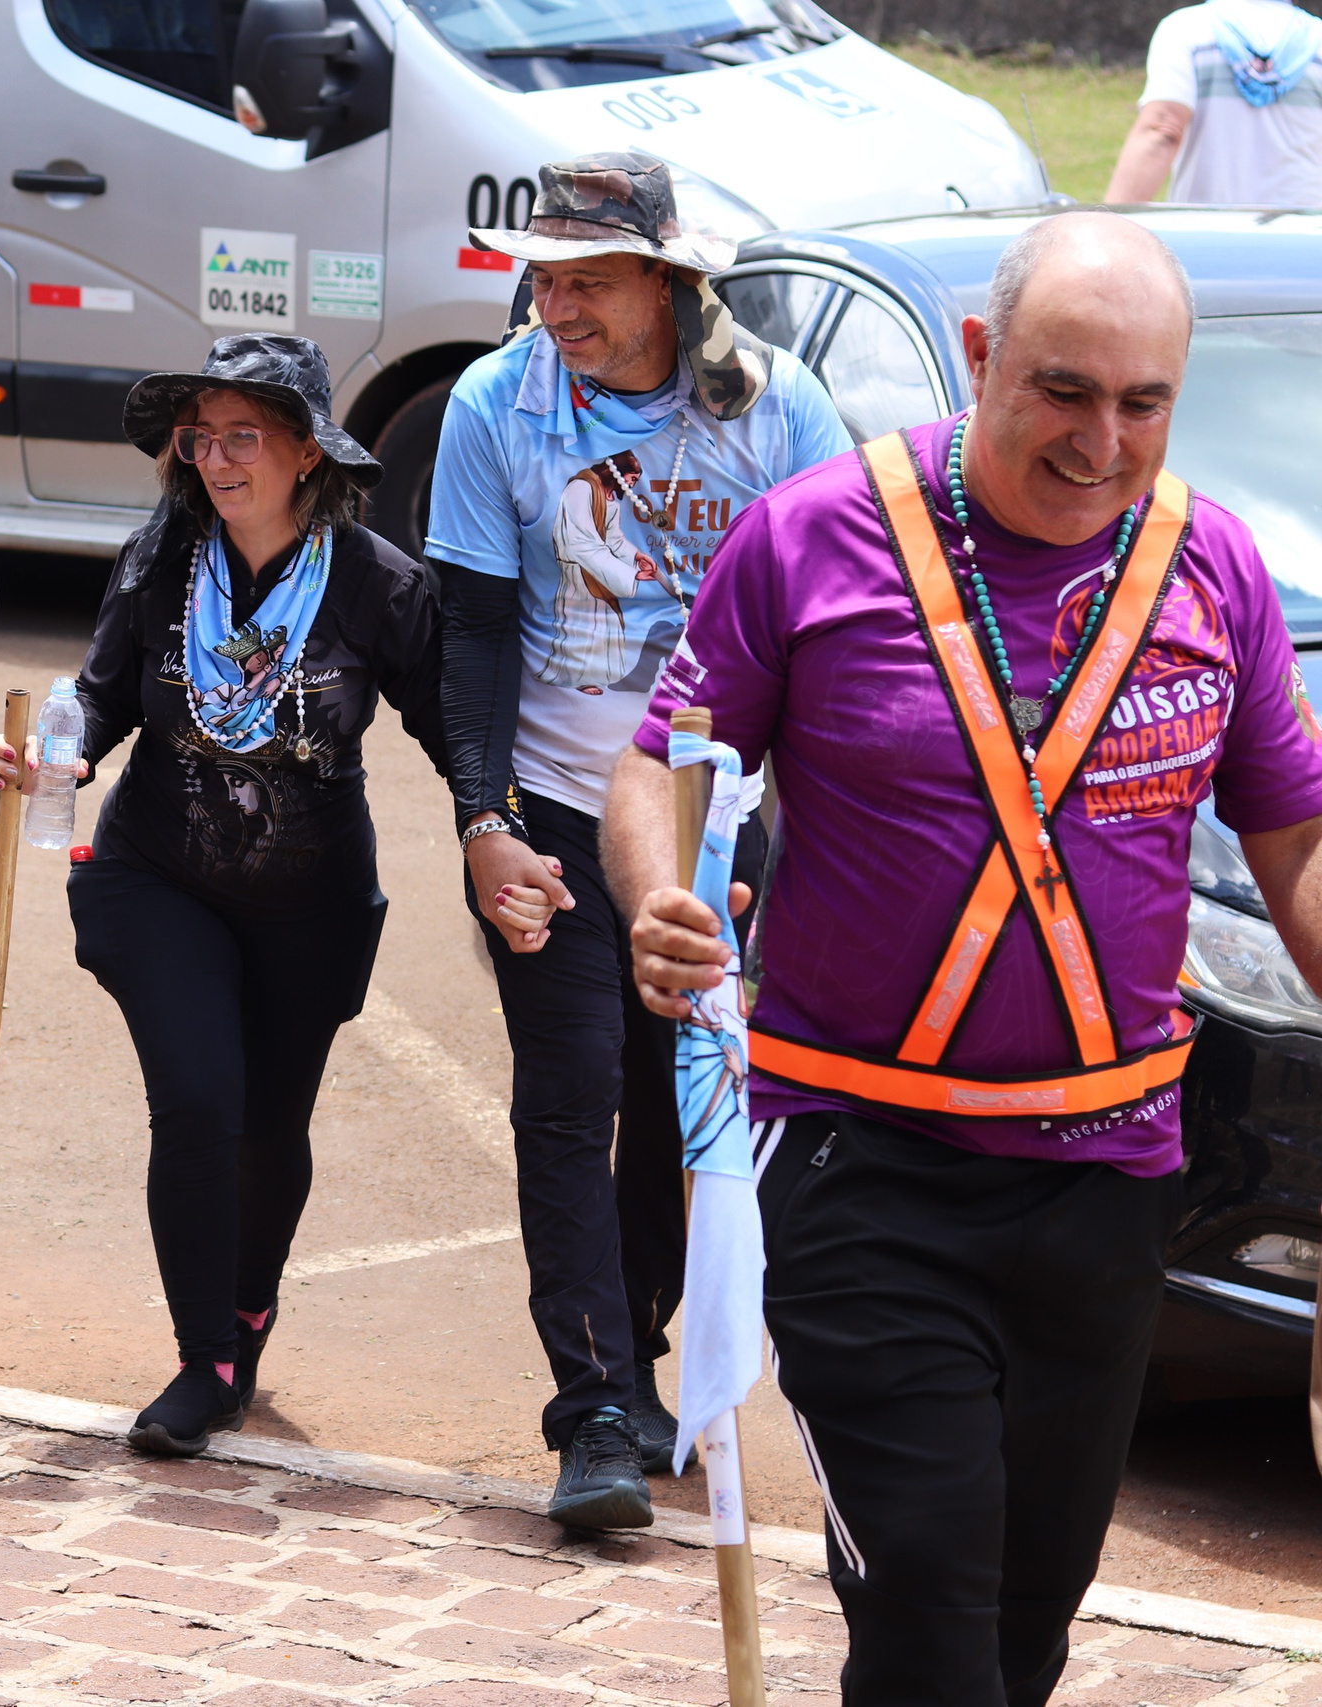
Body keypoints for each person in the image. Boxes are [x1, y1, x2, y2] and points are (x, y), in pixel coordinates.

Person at [609, 211, 1322, 1704]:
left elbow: (1297, 838)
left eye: (1144, 403)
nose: (1103, 440)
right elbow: (656, 762)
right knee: (932, 1602)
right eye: (1065, 390)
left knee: (1021, 1627)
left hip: (1112, 1186)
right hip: (864, 1175)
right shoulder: (813, 533)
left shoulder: (1219, 572)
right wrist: (661, 892)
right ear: (984, 359)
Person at [425, 151, 849, 1529]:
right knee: (570, 1086)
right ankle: (595, 1409)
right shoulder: (499, 405)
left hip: (714, 814)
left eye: (588, 281)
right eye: (541, 279)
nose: (555, 306)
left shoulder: (779, 412)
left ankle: (647, 1354)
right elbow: (476, 632)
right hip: (551, 800)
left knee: (682, 1097)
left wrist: (795, 829)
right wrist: (482, 820)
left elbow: (842, 636)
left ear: (672, 282)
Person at [0, 335, 450, 1456]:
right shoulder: (162, 558)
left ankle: (247, 1314)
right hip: (161, 873)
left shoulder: (380, 585)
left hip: (312, 898)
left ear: (305, 453)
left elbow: (456, 731)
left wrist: (502, 832)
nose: (216, 459)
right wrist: (67, 755)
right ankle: (204, 1360)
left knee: (269, 1125)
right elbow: (101, 695)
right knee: (198, 1099)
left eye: (245, 436)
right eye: (202, 438)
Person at [1106, 0, 1322, 206]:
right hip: (1304, 233)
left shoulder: (1186, 30)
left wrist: (1107, 227)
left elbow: (1162, 130)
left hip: (1207, 232)